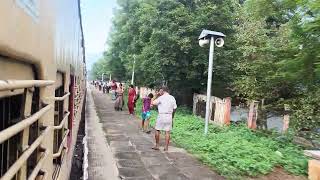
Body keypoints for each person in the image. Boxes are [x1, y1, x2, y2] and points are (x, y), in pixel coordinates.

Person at [151, 86, 177, 151]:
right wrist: (172, 116)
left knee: (157, 130)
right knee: (167, 132)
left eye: (160, 91)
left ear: (162, 90)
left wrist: (156, 95)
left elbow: (152, 102)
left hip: (161, 115)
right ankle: (166, 147)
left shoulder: (161, 98)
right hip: (169, 116)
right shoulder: (172, 98)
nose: (159, 92)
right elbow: (175, 108)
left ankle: (157, 145)